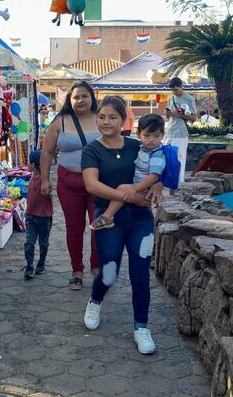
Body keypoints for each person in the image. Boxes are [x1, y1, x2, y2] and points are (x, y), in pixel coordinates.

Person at [81, 95, 164, 355]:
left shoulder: (137, 145)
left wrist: (159, 184)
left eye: (112, 117)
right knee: (109, 271)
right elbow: (91, 186)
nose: (106, 122)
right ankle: (95, 300)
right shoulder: (91, 150)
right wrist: (130, 196)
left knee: (140, 275)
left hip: (141, 220)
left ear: (123, 119)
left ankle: (141, 327)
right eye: (102, 116)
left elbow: (160, 167)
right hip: (108, 219)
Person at [40, 81, 102, 290]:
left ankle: (97, 267)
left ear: (92, 98)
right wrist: (45, 179)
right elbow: (47, 152)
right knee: (74, 228)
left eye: (85, 96)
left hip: (99, 184)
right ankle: (77, 270)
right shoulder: (61, 122)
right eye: (76, 97)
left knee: (99, 226)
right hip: (69, 183)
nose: (81, 100)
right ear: (69, 100)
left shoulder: (102, 118)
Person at [89, 113, 165, 230]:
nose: (151, 140)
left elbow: (154, 176)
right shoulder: (142, 148)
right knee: (123, 190)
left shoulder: (157, 154)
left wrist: (135, 189)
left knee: (122, 189)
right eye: (147, 135)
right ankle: (108, 216)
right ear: (139, 135)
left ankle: (107, 216)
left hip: (144, 188)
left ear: (162, 136)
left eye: (156, 136)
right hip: (141, 185)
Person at [24, 150, 53, 280]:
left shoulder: (45, 180)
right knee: (29, 243)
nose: (27, 165)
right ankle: (29, 266)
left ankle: (41, 263)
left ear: (34, 165)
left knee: (43, 243)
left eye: (28, 162)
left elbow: (50, 192)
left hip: (44, 217)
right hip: (30, 215)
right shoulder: (32, 177)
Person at [164, 77, 197, 190]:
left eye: (176, 90)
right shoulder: (170, 99)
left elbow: (193, 118)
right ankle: (169, 181)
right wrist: (168, 114)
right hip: (169, 132)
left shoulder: (189, 99)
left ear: (181, 86)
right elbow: (168, 116)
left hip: (181, 132)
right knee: (167, 157)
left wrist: (178, 115)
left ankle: (179, 182)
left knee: (180, 158)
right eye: (173, 90)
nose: (174, 92)